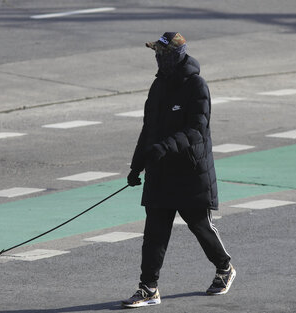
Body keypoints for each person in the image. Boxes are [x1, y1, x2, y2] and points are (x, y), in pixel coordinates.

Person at [122, 32, 236, 308]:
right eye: (156, 54)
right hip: (160, 172)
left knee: (200, 226)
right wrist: (137, 165)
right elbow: (148, 129)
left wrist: (166, 146)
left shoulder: (196, 85)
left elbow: (197, 130)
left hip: (190, 172)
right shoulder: (158, 86)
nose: (158, 58)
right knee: (154, 234)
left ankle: (225, 268)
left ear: (176, 55)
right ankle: (148, 288)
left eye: (162, 54)